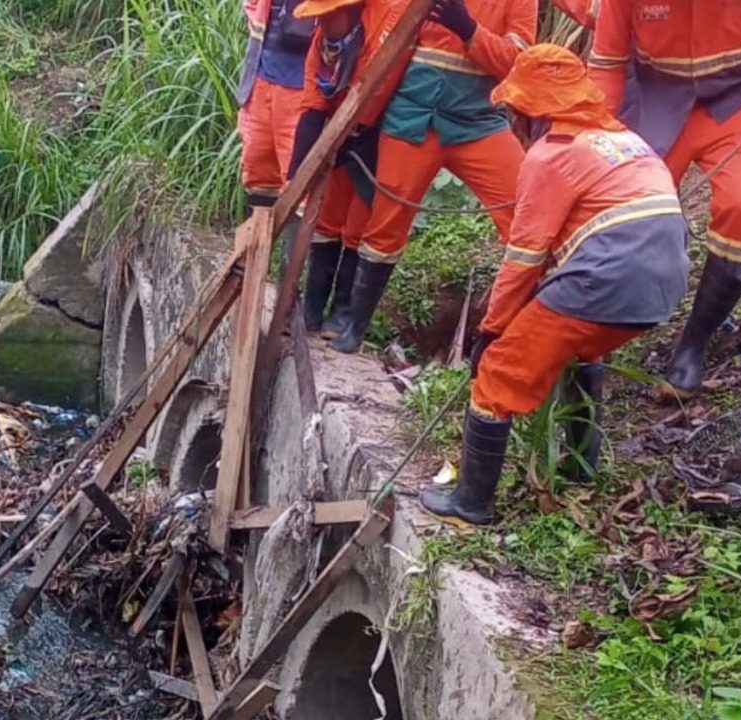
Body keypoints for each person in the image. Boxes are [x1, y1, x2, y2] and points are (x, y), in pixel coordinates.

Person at [420, 44, 689, 526]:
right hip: (661, 288)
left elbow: (525, 256)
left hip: (604, 280)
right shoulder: (625, 141)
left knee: (499, 375)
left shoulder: (552, 155)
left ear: (531, 109)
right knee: (584, 347)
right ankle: (580, 467)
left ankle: (471, 504)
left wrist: (493, 329)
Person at [328, 0, 536, 353]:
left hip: (478, 120)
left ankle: (524, 334)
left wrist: (468, 29)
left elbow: (518, 65)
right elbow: (386, 41)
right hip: (412, 115)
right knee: (386, 223)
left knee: (525, 211)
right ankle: (355, 326)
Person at [588, 2, 741, 401]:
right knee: (626, 212)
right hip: (656, 102)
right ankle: (592, 342)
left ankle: (694, 344)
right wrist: (596, 136)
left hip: (736, 103)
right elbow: (608, 65)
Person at [290, 0, 406, 335]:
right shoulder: (322, 45)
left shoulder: (383, 25)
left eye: (329, 16)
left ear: (350, 10)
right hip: (337, 132)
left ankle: (342, 311)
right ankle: (311, 309)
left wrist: (357, 127)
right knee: (326, 220)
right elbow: (313, 104)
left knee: (359, 223)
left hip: (377, 131)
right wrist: (298, 172)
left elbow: (381, 83)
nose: (322, 23)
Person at [238, 0, 318, 210]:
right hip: (263, 79)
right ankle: (257, 241)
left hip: (303, 91)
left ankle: (294, 243)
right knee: (259, 173)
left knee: (300, 183)